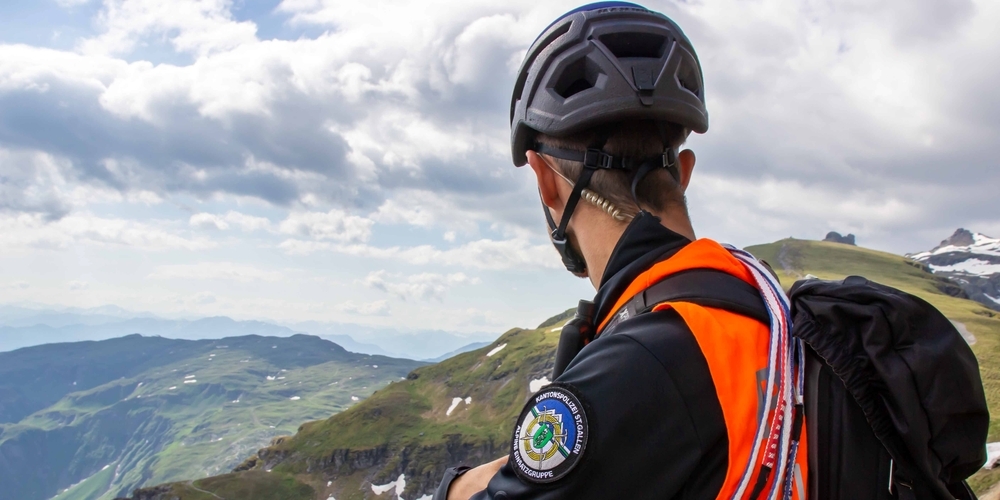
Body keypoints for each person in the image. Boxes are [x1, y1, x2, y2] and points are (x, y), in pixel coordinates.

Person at [434, 3, 808, 499]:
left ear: (546, 181)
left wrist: (454, 487)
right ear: (684, 173)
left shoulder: (641, 363)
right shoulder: (765, 311)